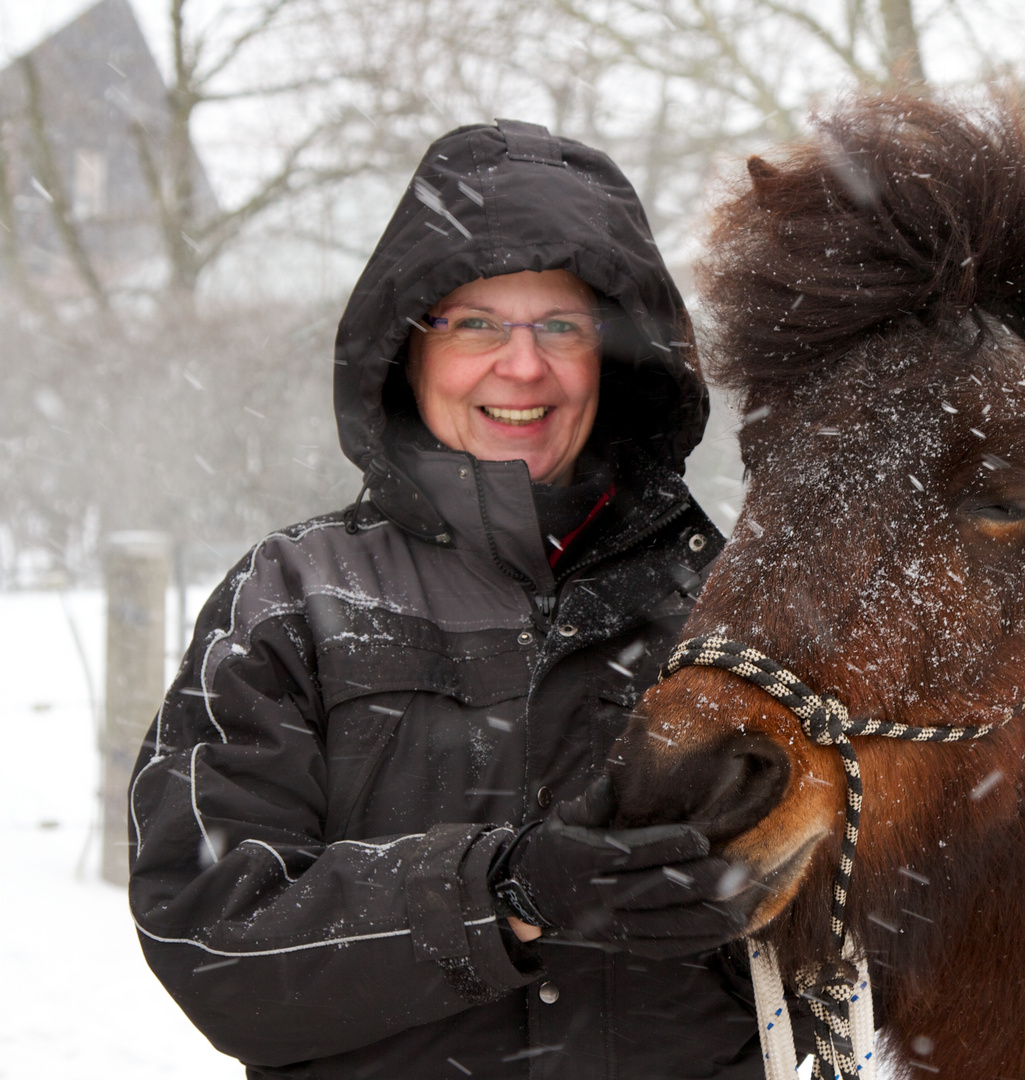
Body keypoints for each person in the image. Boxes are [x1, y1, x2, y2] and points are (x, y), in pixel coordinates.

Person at [128, 119, 773, 1079]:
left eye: (562, 325)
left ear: (615, 357)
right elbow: (210, 934)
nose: (523, 366)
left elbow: (865, 923)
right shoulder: (291, 599)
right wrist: (501, 892)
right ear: (408, 353)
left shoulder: (732, 602)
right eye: (476, 324)